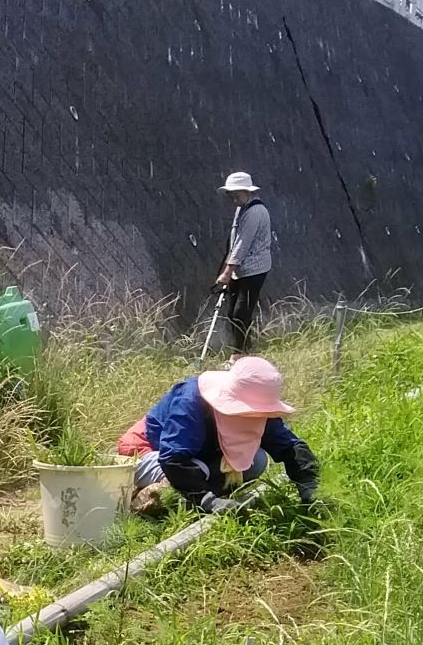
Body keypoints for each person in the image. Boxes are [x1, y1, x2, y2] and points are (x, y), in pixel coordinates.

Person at [123, 355, 319, 516]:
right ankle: (147, 501)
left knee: (257, 460)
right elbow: (174, 458)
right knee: (198, 469)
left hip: (195, 453)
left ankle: (196, 498)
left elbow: (289, 446)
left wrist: (311, 487)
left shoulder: (259, 409)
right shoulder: (192, 401)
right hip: (146, 451)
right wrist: (209, 502)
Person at [214, 170, 274, 352]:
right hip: (239, 269)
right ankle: (244, 349)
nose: (234, 200)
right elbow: (233, 241)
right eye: (231, 196)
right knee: (233, 313)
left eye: (236, 195)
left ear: (248, 192)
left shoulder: (255, 212)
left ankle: (238, 355)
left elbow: (243, 243)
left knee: (240, 312)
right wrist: (226, 269)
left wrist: (227, 273)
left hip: (254, 270)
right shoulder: (242, 209)